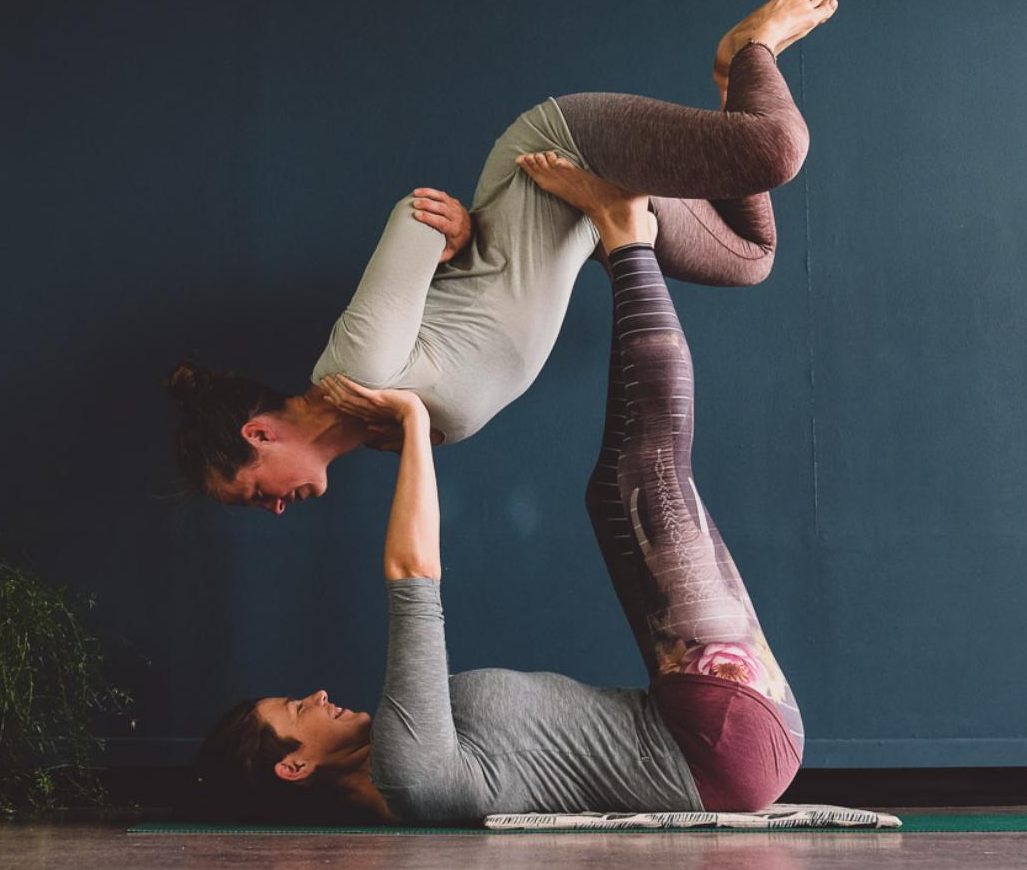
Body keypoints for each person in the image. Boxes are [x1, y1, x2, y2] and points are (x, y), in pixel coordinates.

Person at [193, 161, 803, 823]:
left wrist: (451, 253)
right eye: (295, 710)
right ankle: (625, 236)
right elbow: (414, 583)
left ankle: (644, 223)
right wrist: (414, 425)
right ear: (295, 766)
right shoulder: (405, 765)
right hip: (720, 742)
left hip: (725, 731)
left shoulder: (405, 770)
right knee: (646, 475)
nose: (314, 694)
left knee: (613, 493)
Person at [168, 0, 838, 513]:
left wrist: (451, 234)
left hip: (560, 150)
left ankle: (754, 47)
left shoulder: (354, 370)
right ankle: (729, 80)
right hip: (585, 207)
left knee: (772, 151)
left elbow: (416, 215)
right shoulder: (382, 431)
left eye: (256, 494)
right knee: (751, 256)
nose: (276, 507)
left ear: (258, 435)